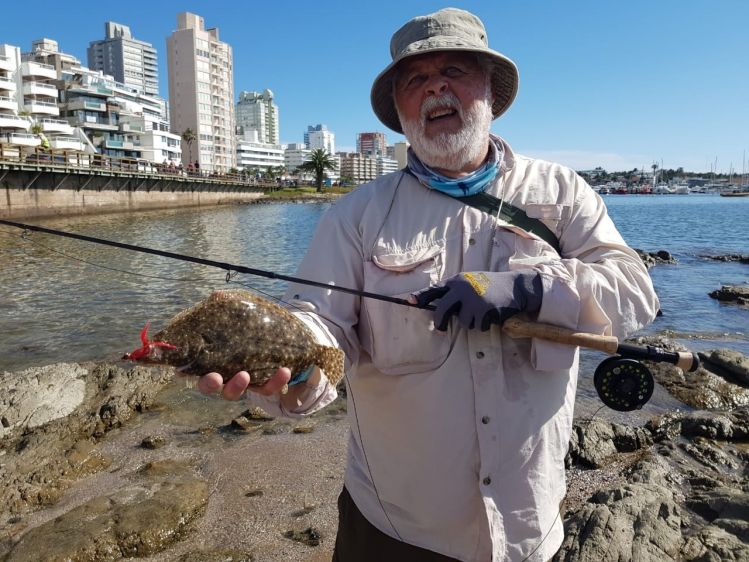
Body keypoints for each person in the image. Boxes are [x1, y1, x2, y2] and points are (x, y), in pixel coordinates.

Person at [198, 7, 659, 562]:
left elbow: (634, 291)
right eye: (416, 78)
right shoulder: (357, 214)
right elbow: (320, 323)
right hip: (393, 527)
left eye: (457, 70)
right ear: (399, 107)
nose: (437, 86)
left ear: (491, 91)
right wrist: (286, 371)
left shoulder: (562, 192)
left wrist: (528, 288)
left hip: (528, 526)